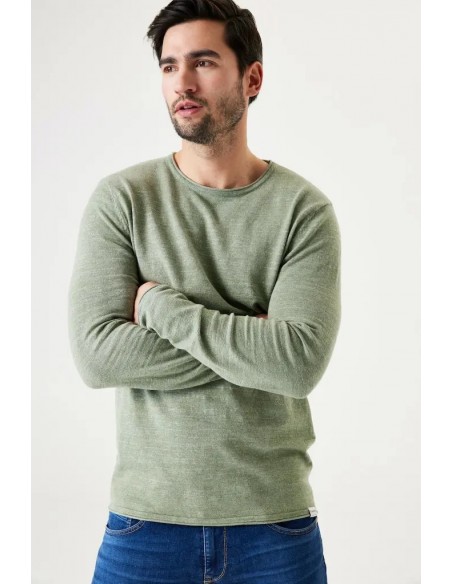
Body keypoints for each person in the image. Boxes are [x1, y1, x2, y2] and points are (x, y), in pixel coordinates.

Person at [68, 1, 341, 582]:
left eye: (204, 62)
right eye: (169, 66)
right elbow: (97, 356)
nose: (182, 83)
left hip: (276, 528)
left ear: (252, 78)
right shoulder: (124, 200)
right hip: (144, 525)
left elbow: (297, 363)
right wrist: (254, 343)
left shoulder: (303, 211)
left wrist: (159, 306)